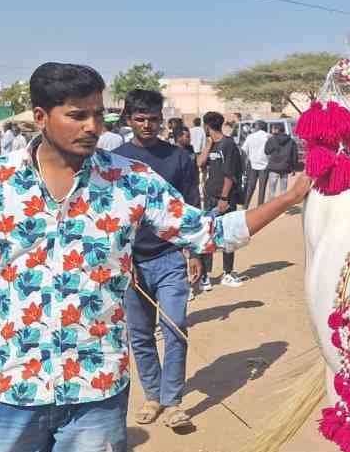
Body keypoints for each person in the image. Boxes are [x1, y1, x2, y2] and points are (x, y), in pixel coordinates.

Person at [0, 63, 310, 452]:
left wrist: (288, 197)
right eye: (77, 115)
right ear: (41, 117)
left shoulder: (130, 181)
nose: (92, 127)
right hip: (13, 387)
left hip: (96, 391)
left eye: (98, 115)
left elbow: (209, 234)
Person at [113, 89, 201, 429]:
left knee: (175, 327)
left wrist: (193, 252)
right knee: (140, 334)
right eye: (140, 119)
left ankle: (173, 400)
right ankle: (152, 395)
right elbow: (109, 215)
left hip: (170, 258)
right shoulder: (116, 160)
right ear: (128, 120)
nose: (147, 125)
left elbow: (192, 207)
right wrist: (122, 260)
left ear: (161, 119)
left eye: (153, 119)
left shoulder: (179, 159)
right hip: (131, 262)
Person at [198, 111, 244, 290]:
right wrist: (208, 145)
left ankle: (227, 273)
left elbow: (230, 175)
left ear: (206, 126)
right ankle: (205, 276)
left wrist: (224, 198)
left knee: (228, 235)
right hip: (210, 197)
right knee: (207, 236)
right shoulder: (211, 144)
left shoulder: (228, 145)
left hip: (225, 198)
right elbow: (200, 163)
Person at [241, 121, 270, 207]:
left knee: (250, 186)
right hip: (265, 165)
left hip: (252, 164)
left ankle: (245, 205)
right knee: (262, 187)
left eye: (255, 126)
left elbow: (244, 150)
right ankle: (259, 207)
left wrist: (244, 162)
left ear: (257, 127)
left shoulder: (250, 136)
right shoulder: (268, 136)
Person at [264, 123, 298, 199]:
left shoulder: (272, 139)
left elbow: (267, 151)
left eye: (273, 128)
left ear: (277, 130)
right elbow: (294, 155)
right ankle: (282, 207)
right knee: (283, 190)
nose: (272, 130)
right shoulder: (291, 141)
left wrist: (269, 141)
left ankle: (272, 207)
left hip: (274, 167)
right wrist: (293, 168)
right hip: (286, 167)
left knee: (272, 190)